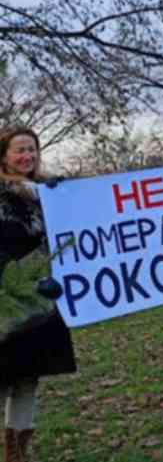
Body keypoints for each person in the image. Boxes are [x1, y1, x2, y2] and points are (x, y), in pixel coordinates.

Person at [0, 128, 77, 462]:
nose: (27, 157)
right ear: (4, 155)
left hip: (41, 302)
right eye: (19, 150)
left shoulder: (49, 192)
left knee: (28, 379)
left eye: (32, 149)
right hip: (7, 302)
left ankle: (17, 453)